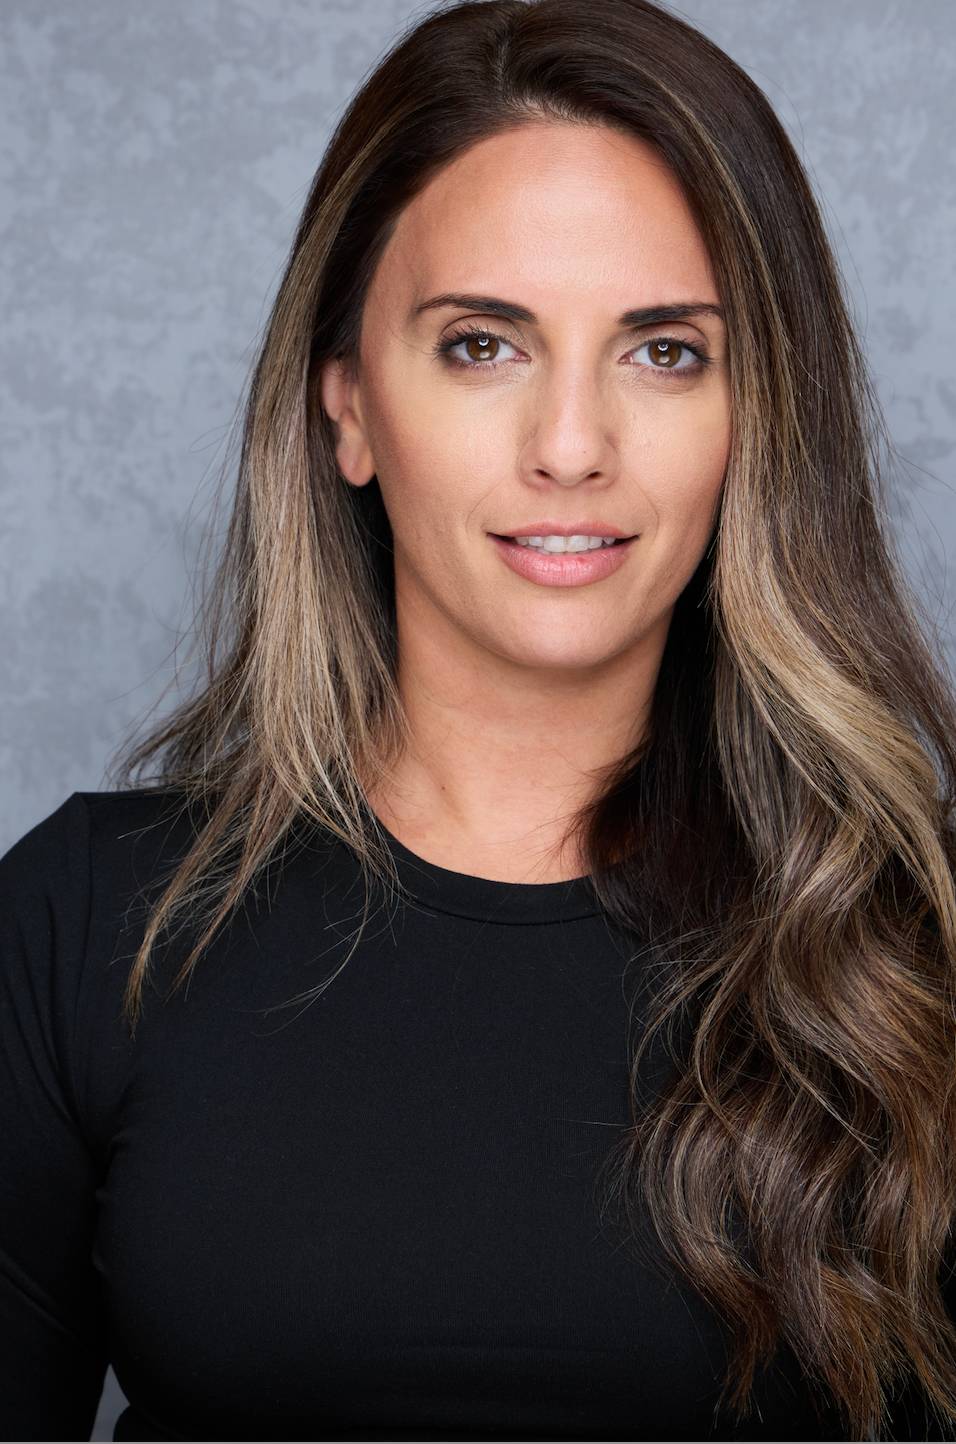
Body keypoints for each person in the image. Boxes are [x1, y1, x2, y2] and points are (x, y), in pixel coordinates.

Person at [2, 0, 955, 1439]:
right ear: (346, 406)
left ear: (760, 417)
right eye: (481, 345)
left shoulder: (914, 944)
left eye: (664, 352)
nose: (571, 446)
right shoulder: (85, 926)